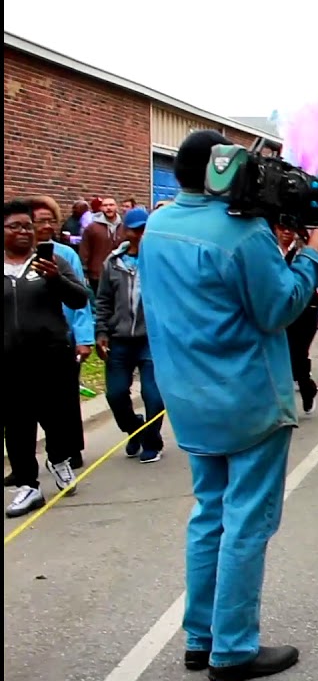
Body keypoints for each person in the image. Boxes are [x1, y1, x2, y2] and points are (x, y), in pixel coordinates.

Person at [139, 129, 318, 679]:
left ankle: (200, 636)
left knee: (210, 516)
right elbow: (277, 308)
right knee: (247, 524)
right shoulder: (242, 232)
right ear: (222, 170)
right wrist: (314, 260)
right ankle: (232, 649)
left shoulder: (156, 224)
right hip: (248, 397)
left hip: (189, 397)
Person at [3, 200, 90, 517]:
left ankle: (59, 459)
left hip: (52, 358)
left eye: (27, 226)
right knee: (16, 425)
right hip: (10, 363)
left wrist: (55, 278)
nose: (24, 231)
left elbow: (80, 299)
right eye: (15, 226)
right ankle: (28, 485)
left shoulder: (50, 262)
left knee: (57, 419)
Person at [95, 207, 166, 463]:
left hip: (151, 340)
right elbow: (103, 301)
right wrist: (101, 331)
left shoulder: (160, 261)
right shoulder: (113, 263)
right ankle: (134, 428)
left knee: (154, 396)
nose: (140, 234)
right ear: (126, 231)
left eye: (144, 228)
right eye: (135, 229)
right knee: (115, 394)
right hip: (119, 339)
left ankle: (151, 442)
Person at [29, 195, 92, 469]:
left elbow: (81, 298)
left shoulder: (65, 255)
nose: (46, 225)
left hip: (61, 337)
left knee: (65, 399)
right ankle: (24, 461)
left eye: (50, 220)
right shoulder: (14, 256)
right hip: (25, 341)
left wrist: (84, 338)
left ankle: (71, 449)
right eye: (40, 220)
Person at [274, 225, 318, 415]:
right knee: (283, 354)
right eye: (282, 228)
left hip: (305, 309)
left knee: (298, 353)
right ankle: (284, 401)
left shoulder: (303, 250)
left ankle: (306, 388)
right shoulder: (268, 249)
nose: (286, 232)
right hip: (280, 309)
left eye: (290, 229)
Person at [79, 196, 125, 293]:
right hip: (97, 274)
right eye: (105, 205)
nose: (108, 208)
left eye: (111, 205)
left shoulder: (124, 227)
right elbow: (85, 250)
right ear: (100, 208)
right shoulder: (92, 228)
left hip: (120, 273)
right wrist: (84, 271)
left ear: (117, 207)